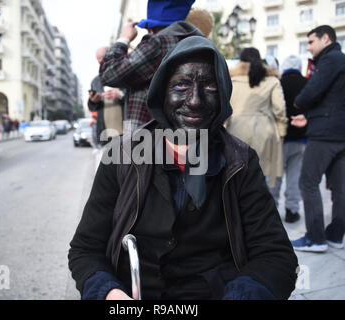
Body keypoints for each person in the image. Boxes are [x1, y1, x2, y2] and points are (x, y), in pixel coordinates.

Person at [68, 36, 298, 300]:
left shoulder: (240, 161)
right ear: (162, 92)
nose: (196, 100)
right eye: (182, 84)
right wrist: (110, 294)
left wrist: (243, 294)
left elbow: (275, 255)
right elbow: (85, 248)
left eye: (210, 86)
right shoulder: (121, 155)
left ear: (223, 94)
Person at [290, 25, 345, 252]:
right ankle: (335, 236)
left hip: (326, 133)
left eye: (311, 42)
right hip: (342, 130)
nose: (308, 47)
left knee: (307, 182)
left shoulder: (331, 59)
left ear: (325, 38)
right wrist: (308, 116)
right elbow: (334, 98)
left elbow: (313, 91)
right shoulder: (343, 60)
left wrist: (300, 102)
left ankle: (315, 238)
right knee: (339, 186)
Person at [99, 0, 204, 132]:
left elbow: (107, 74)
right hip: (190, 138)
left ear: (152, 28)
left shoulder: (157, 44)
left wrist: (123, 39)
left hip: (148, 140)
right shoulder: (201, 47)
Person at [224, 47, 287, 189]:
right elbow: (280, 109)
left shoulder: (231, 80)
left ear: (240, 61)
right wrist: (281, 132)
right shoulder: (272, 81)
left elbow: (224, 106)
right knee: (260, 176)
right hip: (264, 131)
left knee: (237, 174)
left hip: (236, 131)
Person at [270, 55, 308, 223]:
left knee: (275, 176)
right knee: (295, 176)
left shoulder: (277, 83)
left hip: (280, 138)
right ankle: (292, 210)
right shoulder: (307, 83)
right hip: (301, 139)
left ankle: (271, 211)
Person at [89, 47, 125, 146]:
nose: (100, 62)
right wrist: (93, 101)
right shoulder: (95, 81)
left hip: (126, 131)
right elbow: (92, 107)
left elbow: (137, 97)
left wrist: (121, 94)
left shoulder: (124, 75)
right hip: (105, 133)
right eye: (98, 59)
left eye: (102, 58)